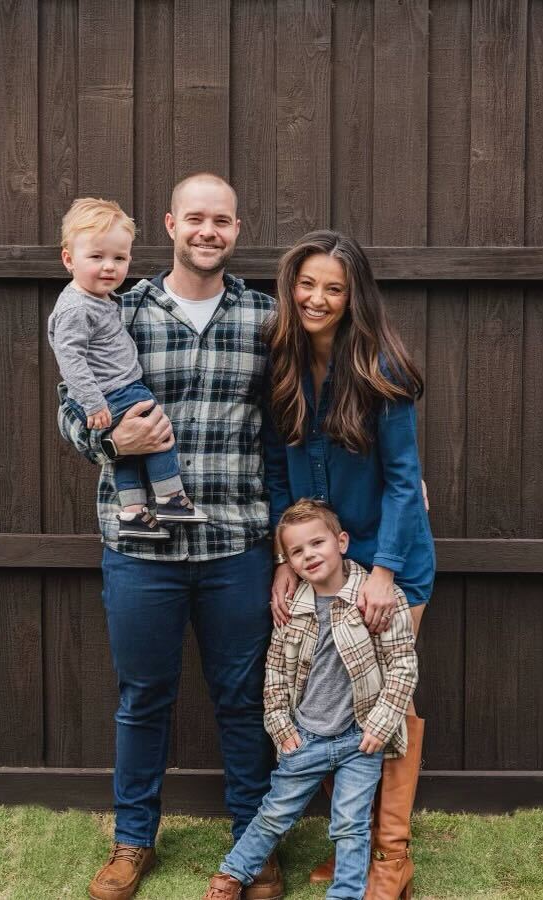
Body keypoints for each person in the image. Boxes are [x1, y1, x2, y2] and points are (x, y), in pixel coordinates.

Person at [57, 174, 283, 900]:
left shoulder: (265, 318)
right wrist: (110, 441)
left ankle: (254, 844)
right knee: (143, 698)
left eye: (221, 220)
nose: (207, 231)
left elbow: (291, 427)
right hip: (139, 550)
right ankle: (132, 841)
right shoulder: (117, 308)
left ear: (236, 229)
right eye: (195, 218)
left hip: (237, 545)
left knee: (243, 700)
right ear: (170, 224)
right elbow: (69, 407)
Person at [262, 232, 435, 899]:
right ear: (291, 286)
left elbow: (404, 481)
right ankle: (352, 843)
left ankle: (391, 856)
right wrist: (285, 556)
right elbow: (279, 469)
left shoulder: (380, 368)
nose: (317, 298)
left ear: (353, 296)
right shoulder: (282, 363)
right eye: (307, 284)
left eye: (333, 288)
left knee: (387, 691)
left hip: (391, 558)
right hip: (320, 560)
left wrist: (384, 574)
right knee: (331, 694)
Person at [203, 499, 418, 900]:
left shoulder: (377, 598)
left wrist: (380, 725)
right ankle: (232, 874)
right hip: (305, 738)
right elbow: (275, 673)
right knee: (274, 813)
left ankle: (345, 893)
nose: (309, 555)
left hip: (360, 739)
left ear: (341, 542)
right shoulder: (292, 610)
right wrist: (281, 727)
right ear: (288, 561)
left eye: (317, 543)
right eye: (297, 551)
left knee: (351, 823)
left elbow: (403, 665)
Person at [49, 197, 207, 540]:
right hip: (115, 391)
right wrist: (94, 403)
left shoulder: (99, 298)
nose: (109, 267)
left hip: (113, 391)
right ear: (68, 259)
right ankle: (170, 499)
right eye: (96, 257)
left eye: (119, 258)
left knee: (130, 453)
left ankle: (133, 513)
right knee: (158, 433)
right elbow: (70, 359)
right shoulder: (77, 307)